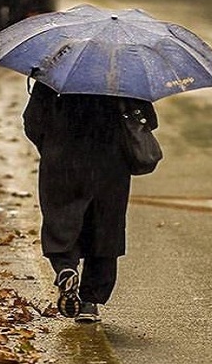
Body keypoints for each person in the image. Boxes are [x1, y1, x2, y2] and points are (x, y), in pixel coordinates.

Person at [22, 80, 158, 324]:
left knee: (61, 220)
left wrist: (52, 146)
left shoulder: (56, 72)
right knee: (105, 229)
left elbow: (33, 121)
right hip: (110, 163)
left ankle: (66, 267)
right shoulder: (125, 75)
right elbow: (148, 120)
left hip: (62, 158)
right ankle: (89, 302)